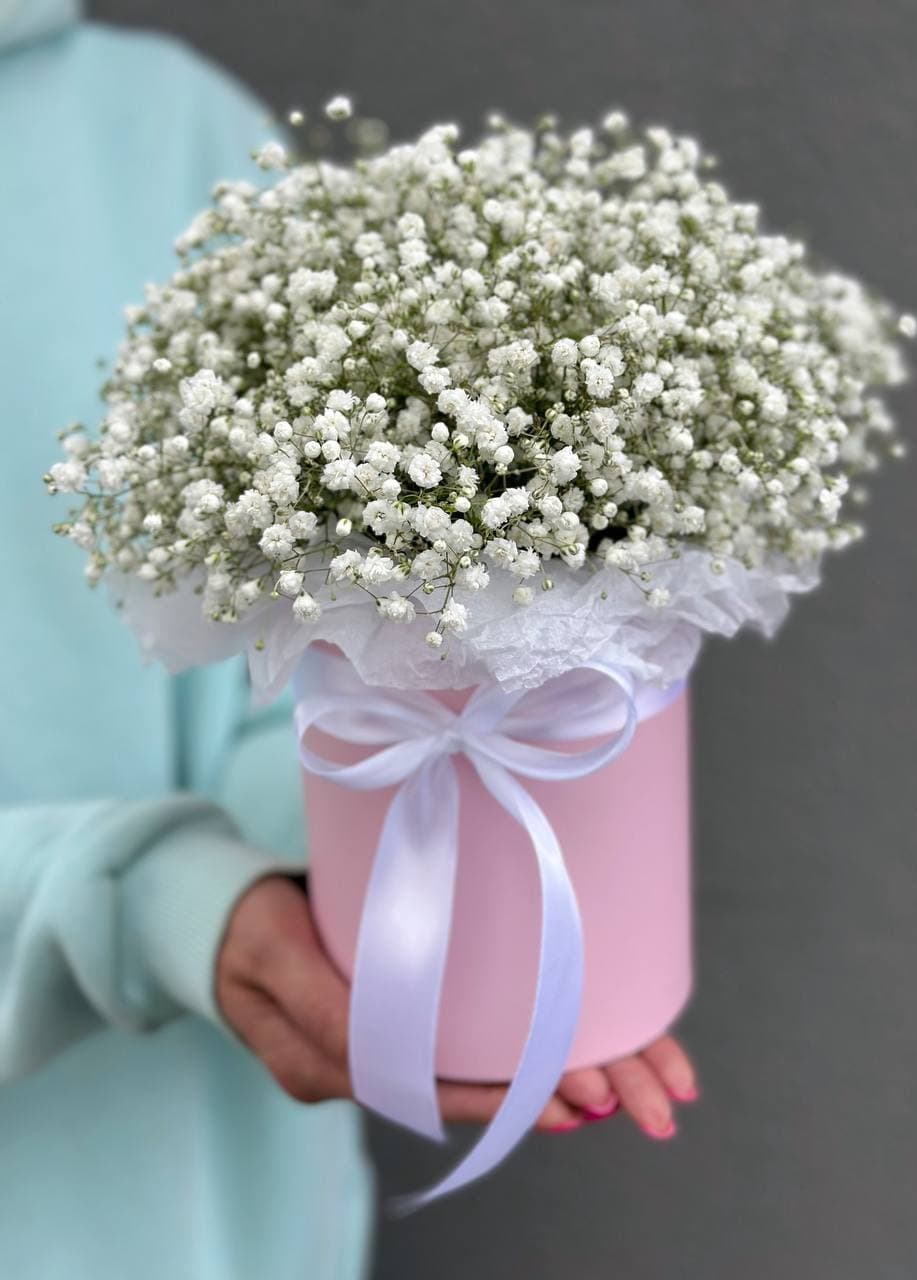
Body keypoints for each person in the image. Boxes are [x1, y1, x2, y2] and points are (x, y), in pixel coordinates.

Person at [1, 3, 700, 1276]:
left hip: (223, 1216)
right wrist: (158, 908)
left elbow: (291, 675)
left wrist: (450, 837)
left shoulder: (169, 129)